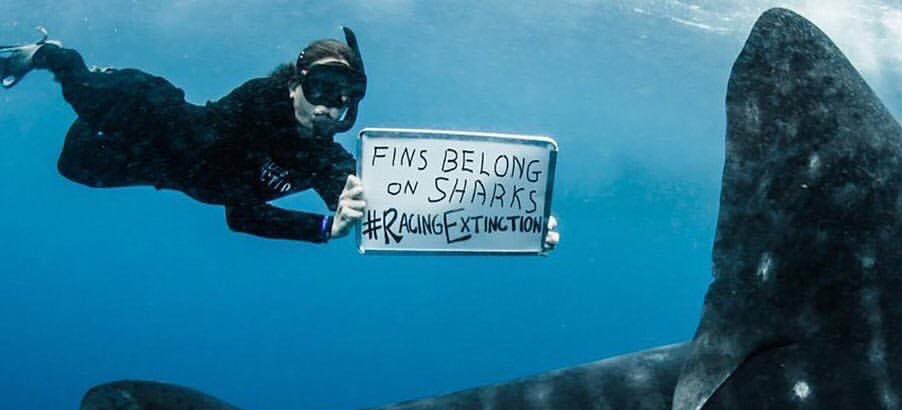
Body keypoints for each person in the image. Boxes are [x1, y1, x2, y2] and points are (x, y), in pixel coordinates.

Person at [1, 28, 561, 248]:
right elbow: (239, 215)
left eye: (344, 99)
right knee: (90, 99)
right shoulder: (252, 109)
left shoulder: (321, 151)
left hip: (158, 175)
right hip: (151, 121)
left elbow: (395, 203)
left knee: (73, 169)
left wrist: (515, 221)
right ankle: (49, 54)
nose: (329, 107)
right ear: (295, 85)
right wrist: (320, 226)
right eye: (320, 89)